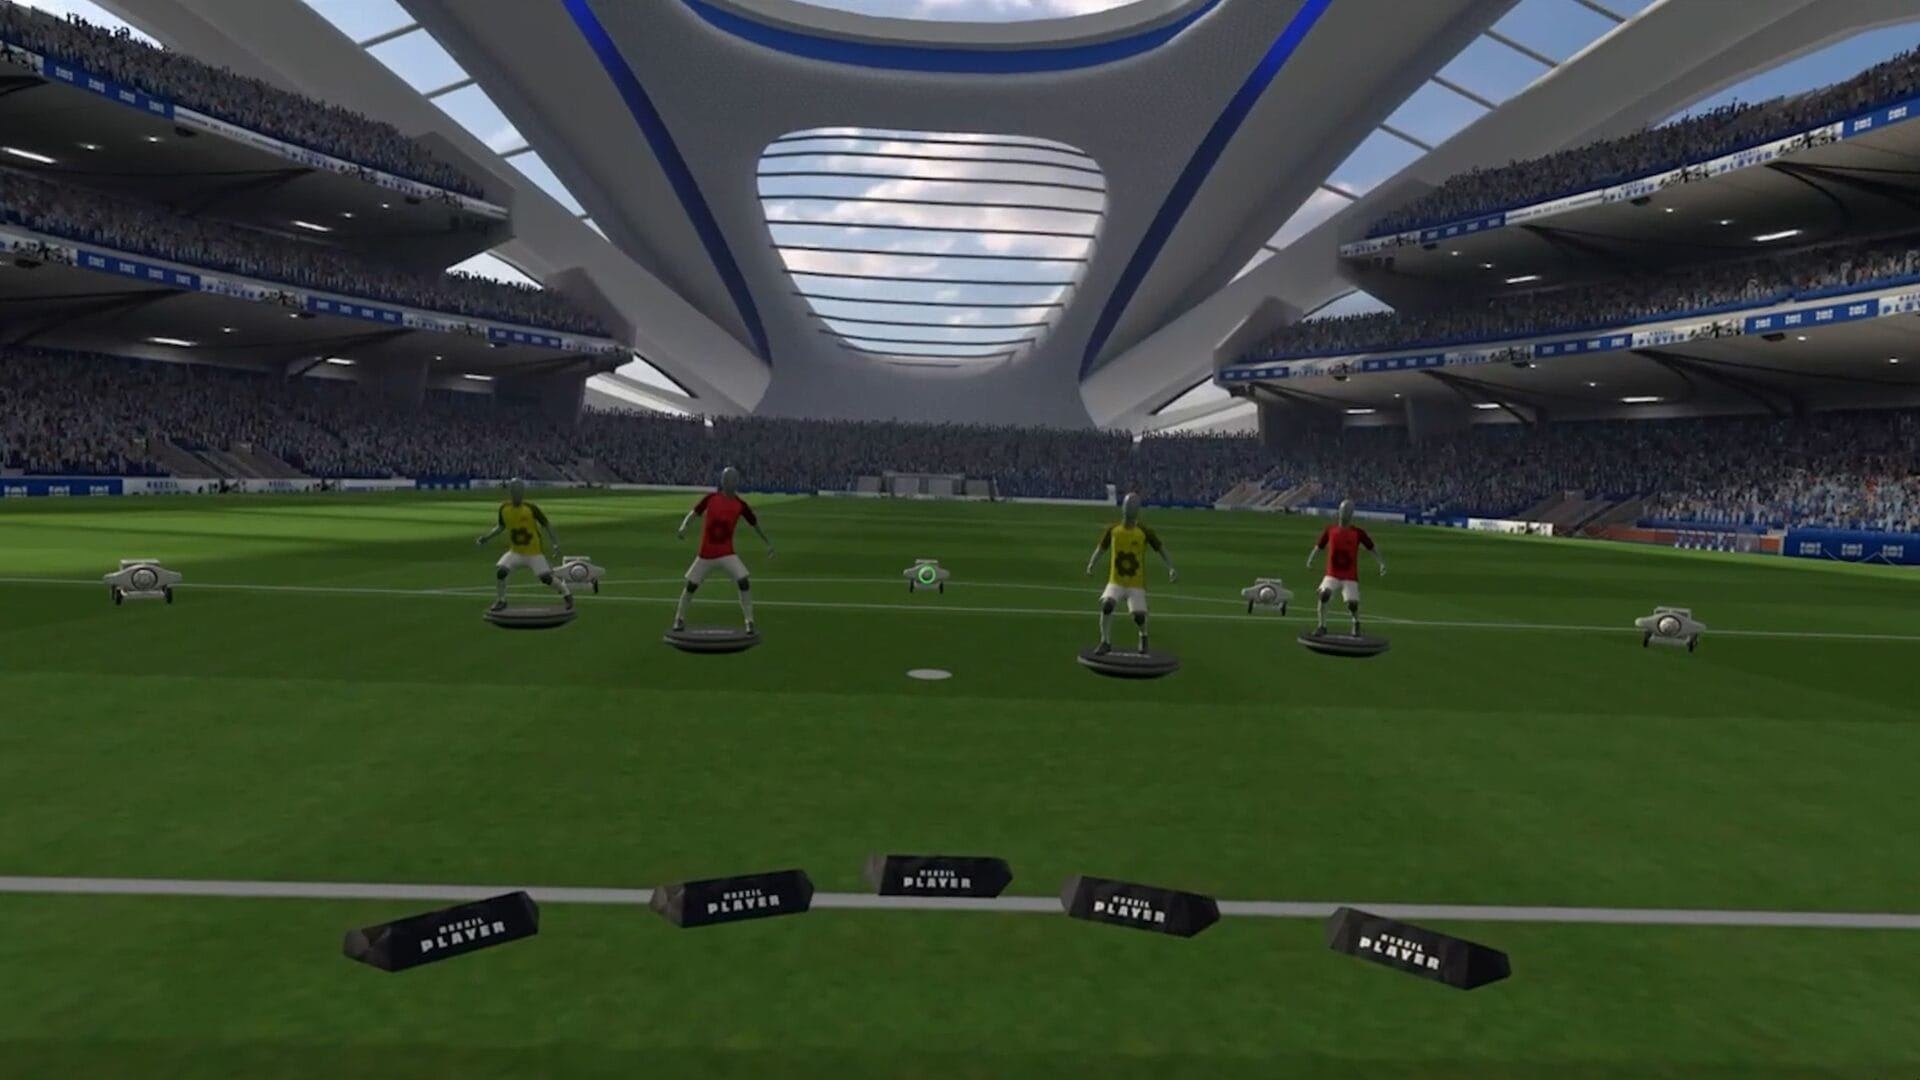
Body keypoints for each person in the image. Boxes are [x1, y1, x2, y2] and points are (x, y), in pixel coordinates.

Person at [673, 466, 773, 633]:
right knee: (691, 586)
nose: (728, 482)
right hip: (705, 554)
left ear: (736, 482)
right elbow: (694, 513)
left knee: (743, 581)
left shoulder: (740, 505)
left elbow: (754, 523)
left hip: (726, 554)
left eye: (732, 479)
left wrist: (767, 542)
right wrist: (684, 527)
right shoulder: (710, 499)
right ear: (722, 481)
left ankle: (749, 621)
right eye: (726, 479)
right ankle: (679, 618)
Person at [1085, 492, 1178, 655]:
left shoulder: (1143, 532)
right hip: (1115, 581)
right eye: (1127, 506)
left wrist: (1171, 567)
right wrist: (1092, 563)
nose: (1129, 509)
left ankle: (1143, 635)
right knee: (1107, 605)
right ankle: (1105, 641)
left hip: (1135, 583)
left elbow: (1160, 548)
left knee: (1139, 616)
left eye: (1132, 507)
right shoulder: (1113, 530)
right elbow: (1101, 548)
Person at [475, 477, 572, 613]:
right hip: (515, 552)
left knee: (546, 578)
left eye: (519, 490)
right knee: (501, 572)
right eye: (514, 490)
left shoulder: (530, 508)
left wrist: (555, 543)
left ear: (523, 492)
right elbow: (501, 526)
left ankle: (566, 593)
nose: (517, 493)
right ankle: (501, 600)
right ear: (510, 491)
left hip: (534, 552)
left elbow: (546, 524)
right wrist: (487, 537)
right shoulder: (504, 508)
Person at [1306, 499, 1385, 636]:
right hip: (1332, 574)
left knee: (1352, 604)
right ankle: (1322, 625)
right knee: (1324, 594)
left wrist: (1381, 562)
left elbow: (1371, 547)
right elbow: (1319, 546)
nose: (1344, 513)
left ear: (1351, 514)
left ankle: (1356, 622)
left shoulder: (1357, 533)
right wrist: (1311, 559)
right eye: (1343, 510)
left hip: (1349, 576)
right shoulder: (1330, 530)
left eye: (1347, 511)